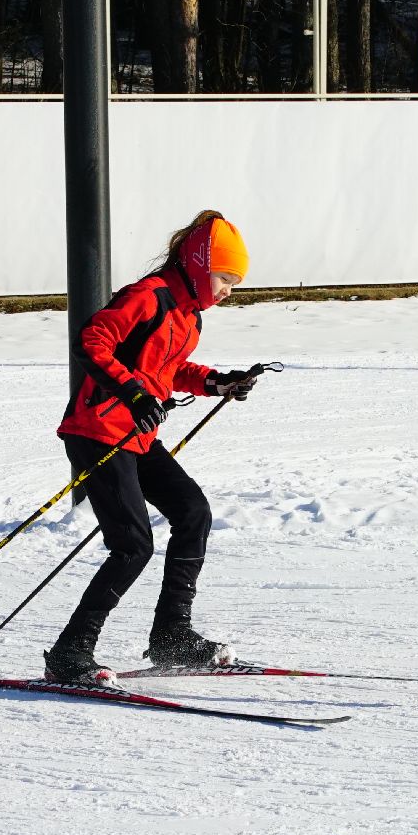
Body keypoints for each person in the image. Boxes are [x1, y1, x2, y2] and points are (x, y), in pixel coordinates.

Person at [46, 211, 258, 686]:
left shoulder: (188, 315)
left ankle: (171, 636)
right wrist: (134, 394)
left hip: (137, 435)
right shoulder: (148, 297)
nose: (228, 291)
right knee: (132, 546)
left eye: (234, 284)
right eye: (225, 279)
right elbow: (92, 339)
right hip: (97, 429)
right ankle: (69, 653)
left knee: (192, 512)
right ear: (202, 267)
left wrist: (218, 382)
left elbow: (170, 369)